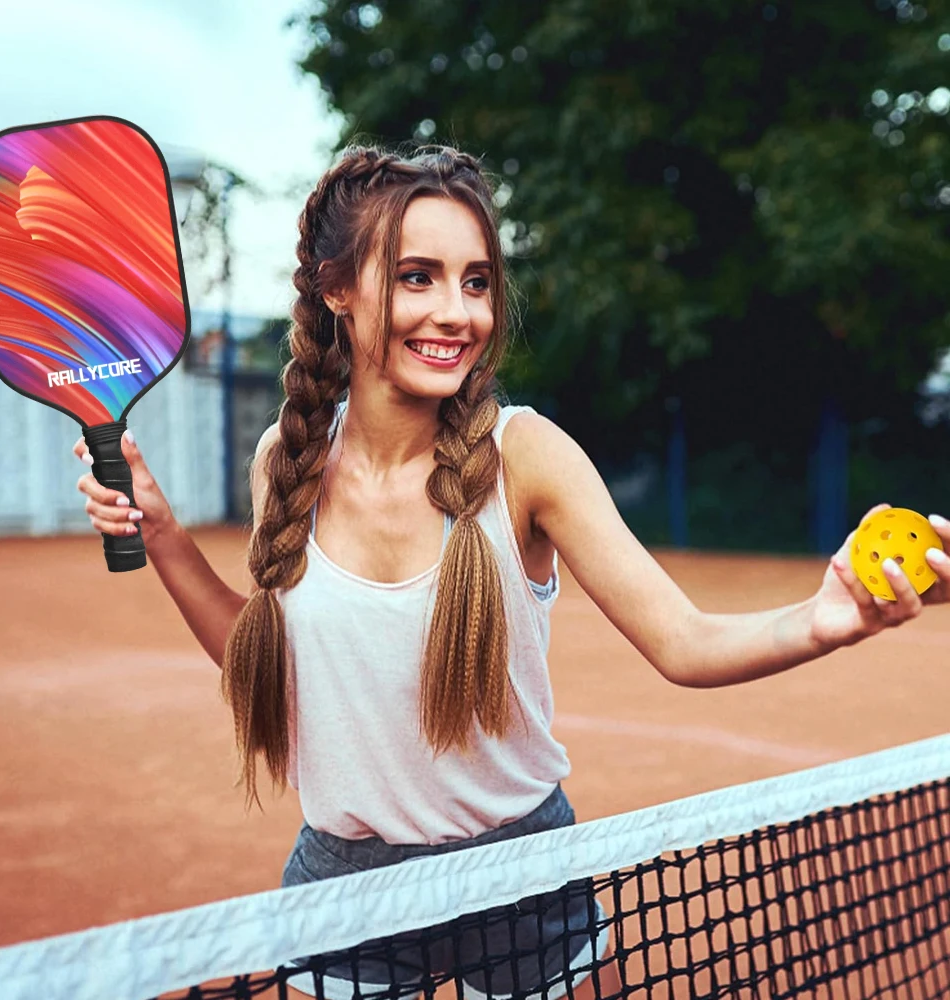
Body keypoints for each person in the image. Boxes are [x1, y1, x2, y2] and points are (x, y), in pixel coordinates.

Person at [74, 144, 950, 1000]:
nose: (456, 311)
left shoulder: (528, 454)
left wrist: (829, 615)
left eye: (477, 279)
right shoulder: (286, 460)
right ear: (336, 288)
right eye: (417, 276)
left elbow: (683, 641)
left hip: (525, 874)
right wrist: (162, 535)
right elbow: (266, 662)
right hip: (344, 885)